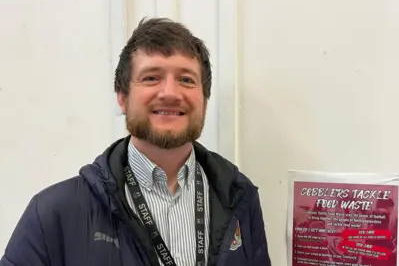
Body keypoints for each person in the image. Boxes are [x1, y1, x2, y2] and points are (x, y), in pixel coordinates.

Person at [0, 18, 271, 266]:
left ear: (204, 99)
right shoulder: (53, 213)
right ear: (122, 96)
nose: (170, 92)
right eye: (151, 77)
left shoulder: (241, 199)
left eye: (186, 80)